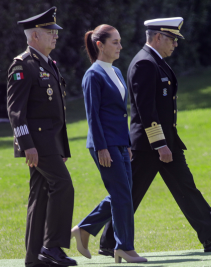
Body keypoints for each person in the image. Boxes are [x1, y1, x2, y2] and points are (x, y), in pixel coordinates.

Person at [98, 17, 211, 256]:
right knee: (130, 192)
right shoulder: (145, 63)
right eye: (173, 39)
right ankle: (108, 242)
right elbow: (145, 109)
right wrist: (160, 144)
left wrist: (166, 143)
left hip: (165, 142)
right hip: (149, 145)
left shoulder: (157, 61)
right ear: (158, 37)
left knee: (185, 186)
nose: (175, 44)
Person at [69, 24, 147, 264]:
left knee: (123, 193)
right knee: (122, 194)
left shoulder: (117, 72)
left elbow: (120, 113)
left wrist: (127, 143)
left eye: (120, 41)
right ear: (100, 45)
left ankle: (83, 229)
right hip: (103, 145)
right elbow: (92, 115)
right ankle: (124, 247)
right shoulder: (93, 74)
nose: (120, 47)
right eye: (115, 42)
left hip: (120, 143)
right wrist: (102, 147)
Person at [6, 7, 77, 267]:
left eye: (55, 32)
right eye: (50, 32)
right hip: (37, 143)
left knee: (40, 194)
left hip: (50, 143)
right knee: (63, 185)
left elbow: (55, 113)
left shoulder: (49, 64)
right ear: (34, 36)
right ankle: (52, 247)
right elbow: (16, 112)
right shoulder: (23, 65)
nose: (55, 36)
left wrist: (61, 147)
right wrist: (27, 146)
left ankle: (33, 257)